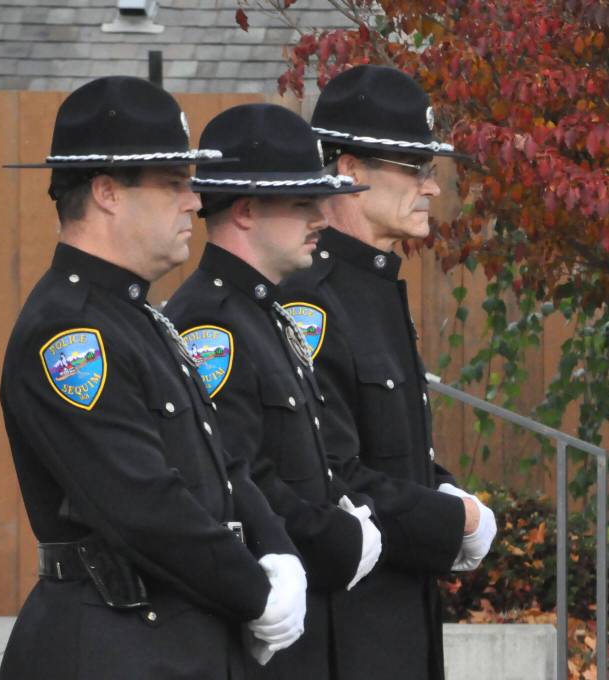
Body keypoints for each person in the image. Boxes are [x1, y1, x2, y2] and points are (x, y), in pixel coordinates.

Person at [0, 76, 307, 680]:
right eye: (172, 184)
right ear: (108, 191)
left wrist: (281, 555)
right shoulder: (69, 333)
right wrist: (257, 592)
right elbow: (142, 505)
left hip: (174, 640)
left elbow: (222, 467)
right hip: (113, 645)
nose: (194, 200)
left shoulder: (141, 318)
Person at [281, 65, 498, 680]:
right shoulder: (311, 301)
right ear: (348, 171)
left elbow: (391, 448)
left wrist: (444, 486)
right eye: (414, 169)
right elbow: (327, 472)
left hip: (399, 619)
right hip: (345, 632)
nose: (431, 188)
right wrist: (456, 520)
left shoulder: (373, 286)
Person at [164, 103, 382, 678]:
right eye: (302, 202)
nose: (321, 216)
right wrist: (336, 539)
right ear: (246, 210)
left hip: (307, 618)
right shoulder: (210, 324)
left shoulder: (265, 312)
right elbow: (237, 475)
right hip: (264, 627)